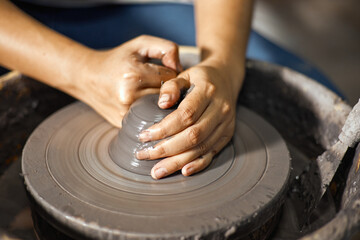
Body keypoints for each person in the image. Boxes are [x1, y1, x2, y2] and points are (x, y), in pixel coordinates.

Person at [0, 0, 341, 180]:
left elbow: (223, 63)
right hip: (17, 21)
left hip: (144, 4)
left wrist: (222, 66)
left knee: (321, 112)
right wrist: (80, 71)